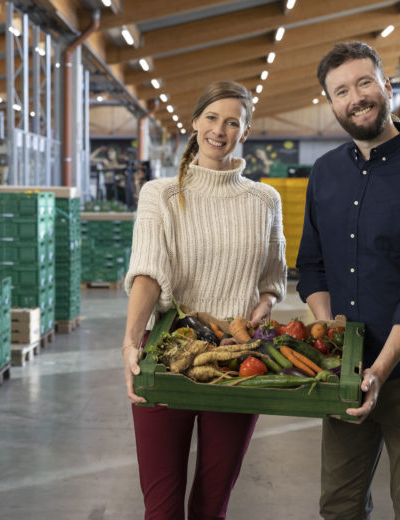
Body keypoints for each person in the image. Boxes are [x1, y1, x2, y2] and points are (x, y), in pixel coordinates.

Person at [296, 42, 400, 520]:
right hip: (344, 370)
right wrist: (332, 339)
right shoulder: (325, 173)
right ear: (332, 105)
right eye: (341, 91)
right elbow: (312, 265)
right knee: (339, 505)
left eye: (364, 83)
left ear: (386, 87)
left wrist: (379, 370)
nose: (356, 98)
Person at [122, 81, 288, 520]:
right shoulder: (161, 194)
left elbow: (273, 276)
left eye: (233, 122)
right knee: (161, 508)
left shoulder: (264, 200)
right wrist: (129, 344)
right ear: (195, 122)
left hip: (237, 362)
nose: (220, 129)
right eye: (212, 118)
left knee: (213, 504)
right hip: (167, 352)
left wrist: (264, 305)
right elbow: (148, 274)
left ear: (245, 132)